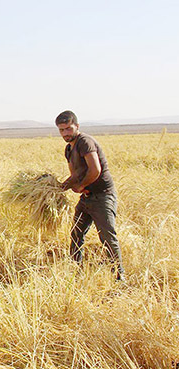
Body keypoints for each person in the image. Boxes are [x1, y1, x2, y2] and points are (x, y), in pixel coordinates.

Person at [55, 110, 124, 280]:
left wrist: (81, 186)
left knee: (107, 236)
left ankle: (119, 276)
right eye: (62, 130)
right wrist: (59, 188)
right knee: (76, 233)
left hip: (102, 196)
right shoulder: (69, 149)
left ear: (77, 126)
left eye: (68, 129)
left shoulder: (84, 142)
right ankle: (75, 271)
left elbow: (95, 170)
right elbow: (76, 174)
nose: (65, 133)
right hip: (87, 197)